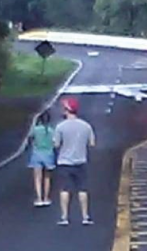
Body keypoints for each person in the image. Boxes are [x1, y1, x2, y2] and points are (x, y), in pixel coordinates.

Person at [53, 96, 95, 226]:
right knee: (82, 189)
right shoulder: (86, 126)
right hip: (80, 161)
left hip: (64, 162)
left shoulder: (60, 127)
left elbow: (56, 144)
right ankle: (85, 216)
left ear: (67, 110)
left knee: (65, 189)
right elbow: (92, 143)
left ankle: (64, 217)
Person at [27, 111, 55, 207]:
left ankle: (39, 198)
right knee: (47, 177)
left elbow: (30, 138)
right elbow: (55, 142)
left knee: (37, 178)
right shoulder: (51, 130)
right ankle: (46, 197)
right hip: (48, 154)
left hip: (37, 154)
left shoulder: (36, 129)